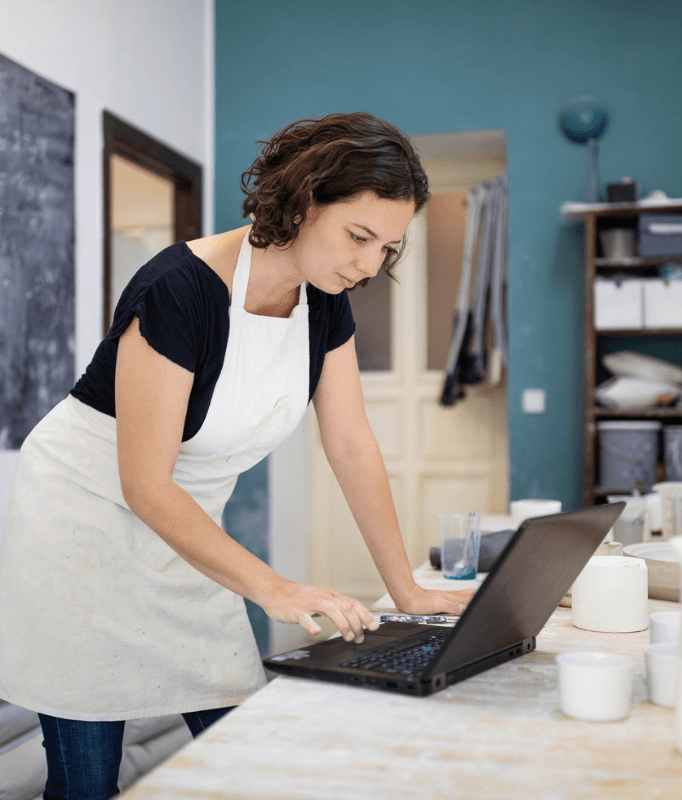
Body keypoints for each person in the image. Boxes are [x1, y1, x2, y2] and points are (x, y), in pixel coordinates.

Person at [0, 112, 474, 800]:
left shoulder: (324, 303)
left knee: (248, 752)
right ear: (305, 201)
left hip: (184, 530)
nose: (370, 265)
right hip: (85, 518)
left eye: (387, 247)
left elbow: (349, 443)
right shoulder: (178, 292)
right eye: (358, 237)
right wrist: (274, 587)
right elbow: (145, 483)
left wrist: (405, 590)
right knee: (87, 778)